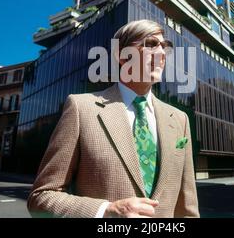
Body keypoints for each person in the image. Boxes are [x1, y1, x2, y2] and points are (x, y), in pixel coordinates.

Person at [27, 19, 199, 218]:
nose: (161, 54)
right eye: (150, 44)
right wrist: (106, 211)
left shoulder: (179, 119)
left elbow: (188, 210)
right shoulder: (81, 108)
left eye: (164, 47)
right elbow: (41, 197)